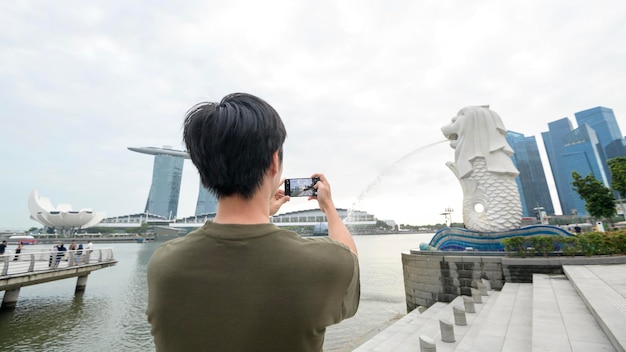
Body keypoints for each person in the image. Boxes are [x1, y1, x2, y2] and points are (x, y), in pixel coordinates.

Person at [146, 93, 360, 352]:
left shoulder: (163, 265)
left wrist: (262, 214)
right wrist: (329, 208)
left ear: (204, 171)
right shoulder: (320, 264)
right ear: (273, 162)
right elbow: (350, 259)